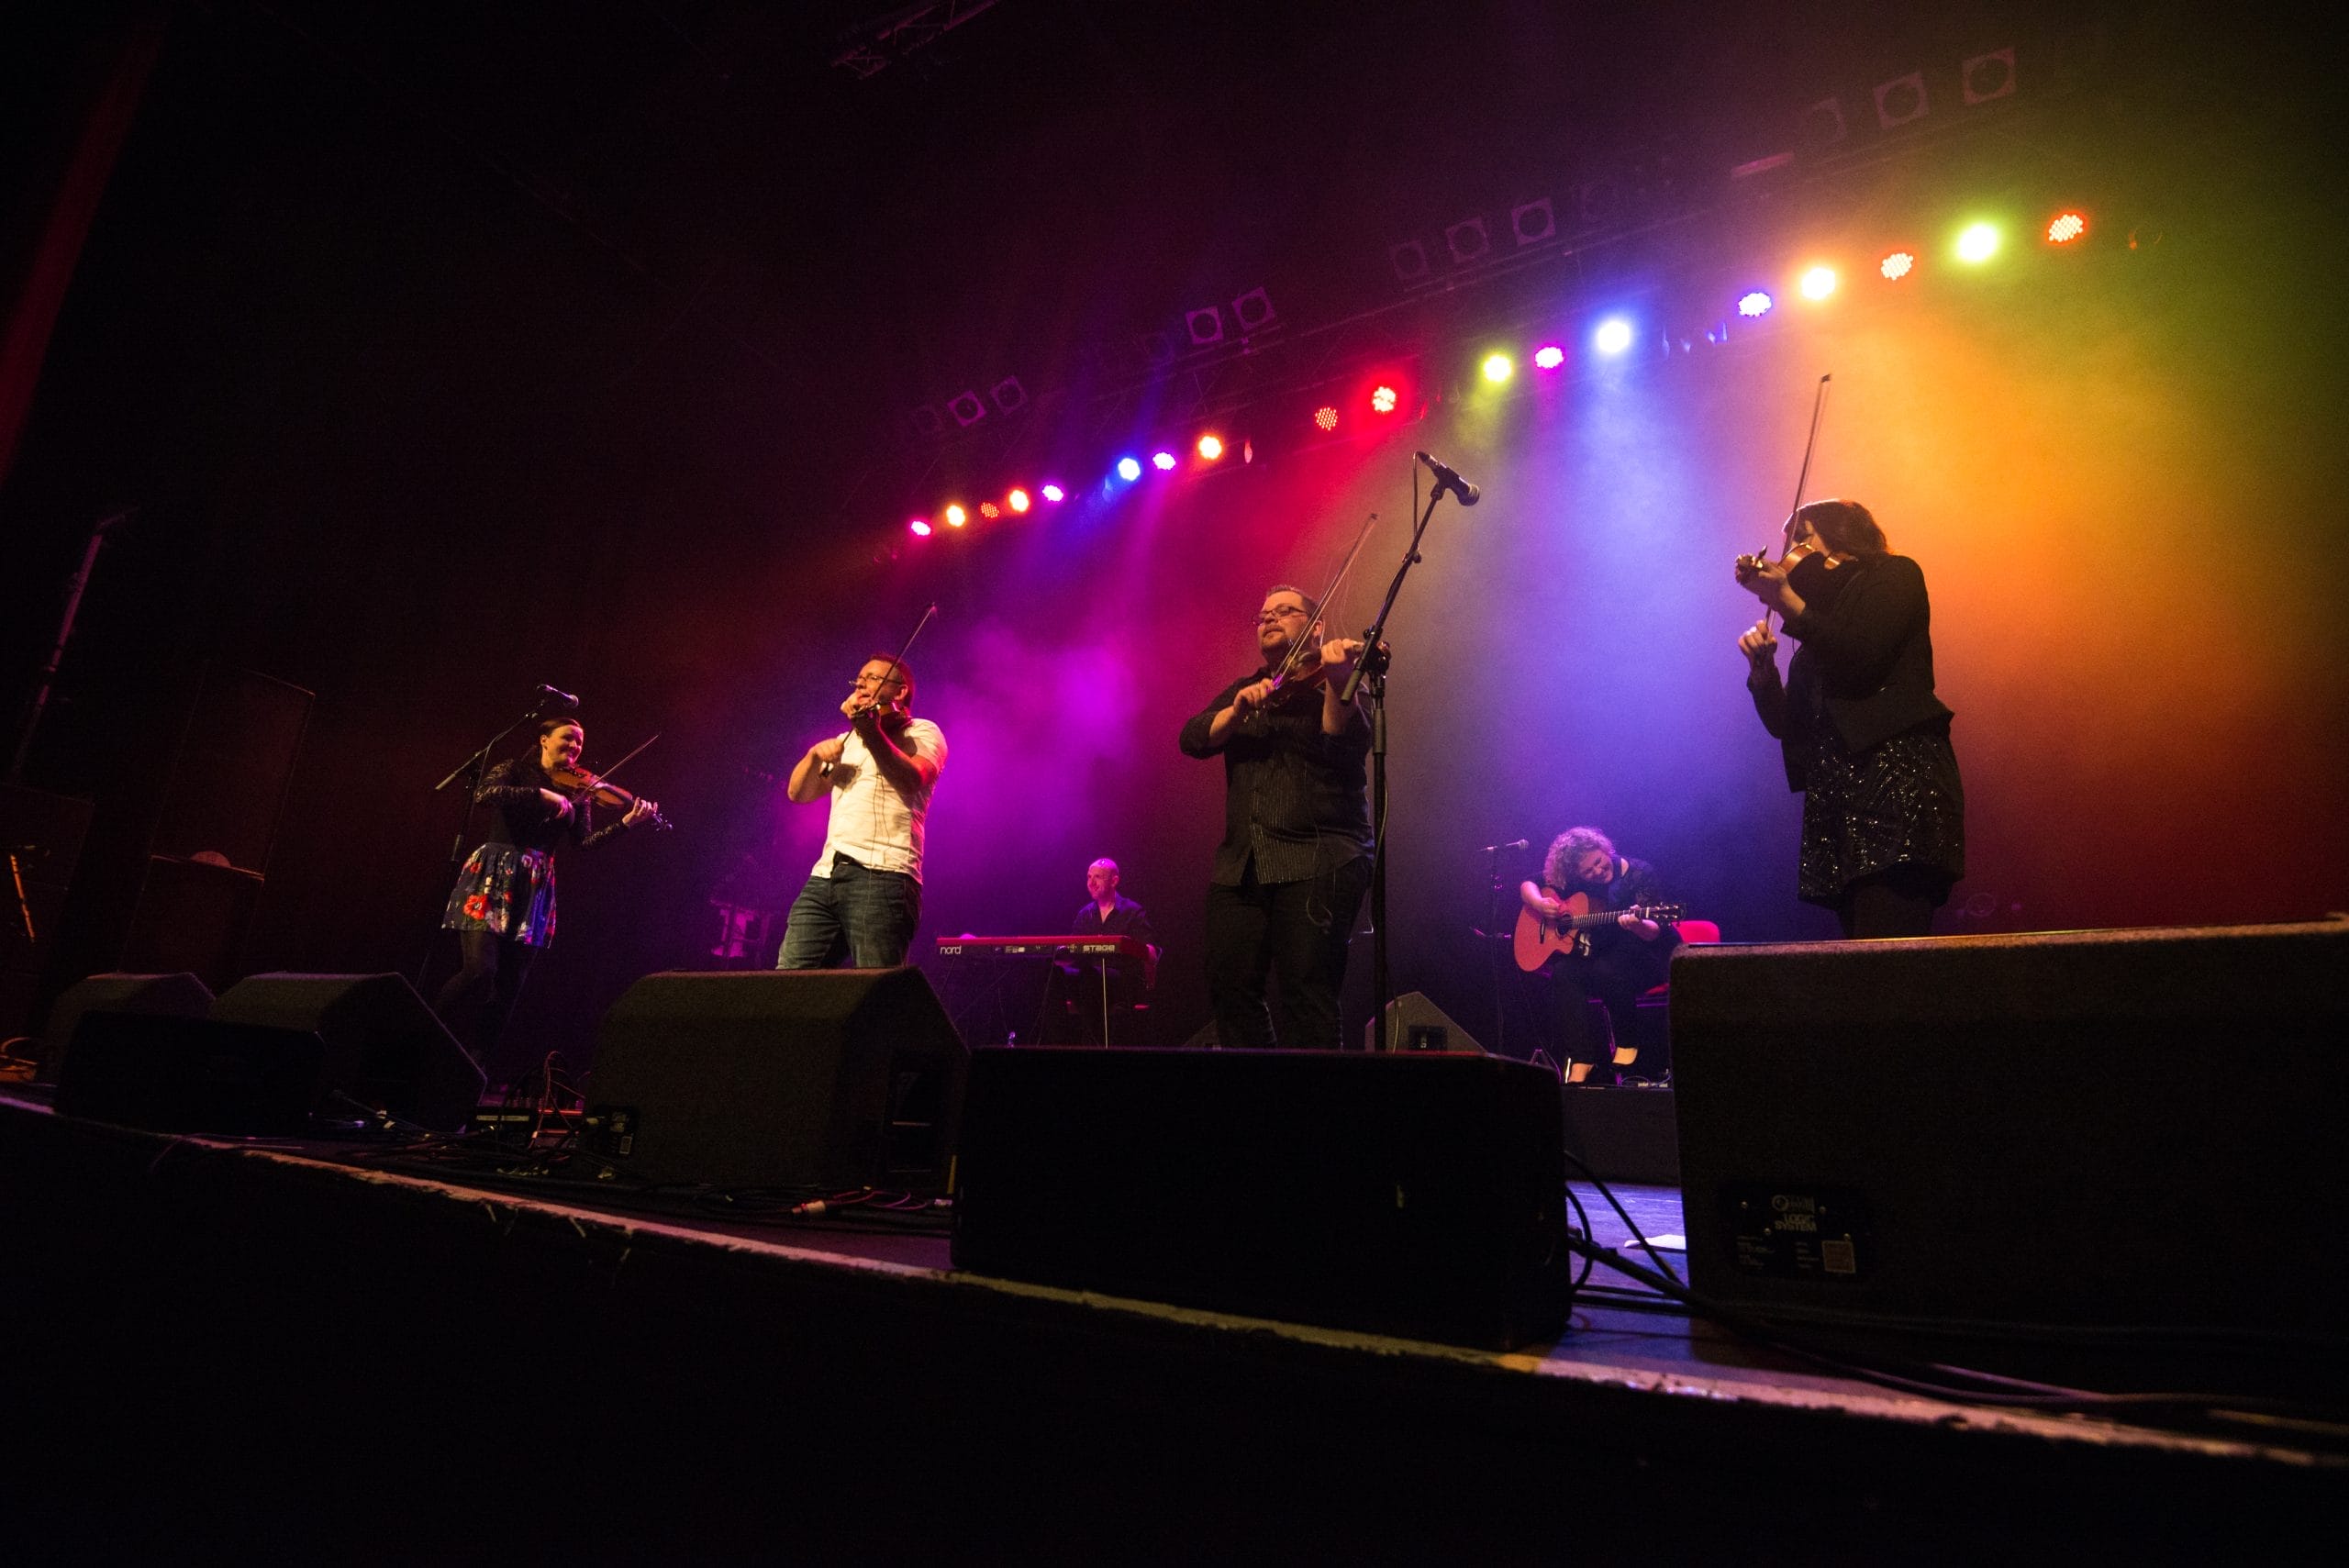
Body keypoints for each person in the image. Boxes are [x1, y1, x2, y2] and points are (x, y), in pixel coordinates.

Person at [1736, 498, 1965, 938]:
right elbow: (1788, 726)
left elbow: (1862, 656)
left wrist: (1784, 598)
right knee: (1861, 954)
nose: (1791, 555)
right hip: (1839, 799)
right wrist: (1764, 674)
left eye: (1802, 538)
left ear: (1840, 533)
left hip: (1895, 783)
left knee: (1888, 948)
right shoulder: (1814, 637)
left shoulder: (1895, 576)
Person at [1178, 584, 1373, 1051]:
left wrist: (1337, 677)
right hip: (1242, 865)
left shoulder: (1342, 685)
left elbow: (1341, 744)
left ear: (1316, 625)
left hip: (1319, 858)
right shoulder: (1247, 688)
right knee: (1230, 988)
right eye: (1263, 615)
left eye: (1284, 612)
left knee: (1307, 993)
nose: (1269, 619)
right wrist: (1237, 709)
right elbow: (1192, 738)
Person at [437, 717, 659, 1064]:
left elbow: (583, 844)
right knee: (479, 971)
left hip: (535, 886)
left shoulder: (579, 792)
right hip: (495, 873)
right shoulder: (515, 770)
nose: (574, 748)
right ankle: (421, 1032)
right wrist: (539, 794)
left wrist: (625, 824)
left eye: (579, 743)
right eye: (567, 739)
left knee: (509, 987)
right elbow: (485, 794)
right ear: (543, 739)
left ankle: (474, 1066)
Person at [775, 653, 946, 969]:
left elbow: (910, 779)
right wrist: (814, 756)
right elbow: (798, 793)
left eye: (874, 678)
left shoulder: (921, 732)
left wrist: (869, 730)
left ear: (899, 692)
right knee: (789, 979)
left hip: (882, 874)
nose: (862, 683)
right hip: (826, 875)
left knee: (877, 988)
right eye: (860, 678)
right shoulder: (847, 741)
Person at [1519, 827, 1677, 1083]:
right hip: (1603, 956)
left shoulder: (1639, 873)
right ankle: (1581, 1059)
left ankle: (1629, 1044)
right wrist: (1539, 904)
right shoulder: (1577, 881)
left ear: (1605, 849)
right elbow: (1529, 883)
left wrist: (1637, 924)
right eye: (1588, 871)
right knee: (1563, 973)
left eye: (1598, 862)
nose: (1597, 871)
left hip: (1647, 955)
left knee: (1607, 968)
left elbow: (1654, 933)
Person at [1047, 859, 1160, 1045]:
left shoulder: (1132, 912)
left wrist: (1126, 946)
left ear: (1114, 881)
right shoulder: (1085, 914)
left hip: (1121, 984)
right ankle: (1056, 1042)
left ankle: (1091, 1045)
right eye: (1089, 877)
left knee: (1090, 978)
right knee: (1055, 973)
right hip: (1089, 983)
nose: (1091, 883)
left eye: (1097, 877)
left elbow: (1151, 953)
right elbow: (1074, 952)